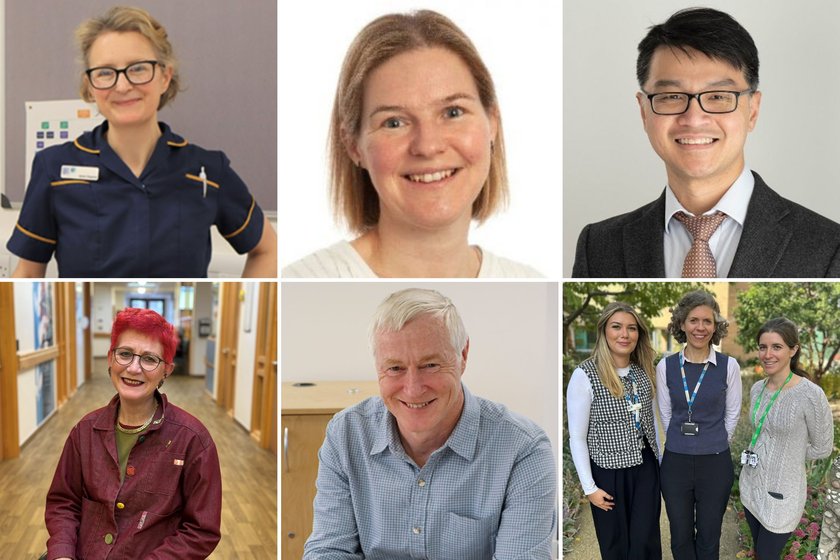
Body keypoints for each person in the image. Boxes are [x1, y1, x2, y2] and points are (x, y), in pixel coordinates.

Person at [7, 6, 277, 278]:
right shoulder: (54, 168)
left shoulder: (207, 171)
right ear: (90, 86)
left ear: (165, 77)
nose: (122, 86)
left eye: (138, 68)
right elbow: (28, 274)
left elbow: (268, 250)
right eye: (104, 72)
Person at [572, 7, 840, 278]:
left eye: (718, 96)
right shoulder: (598, 245)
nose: (694, 117)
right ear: (644, 111)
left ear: (753, 110)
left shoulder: (828, 247)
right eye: (672, 96)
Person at [282, 10, 539, 278]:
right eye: (394, 122)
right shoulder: (303, 281)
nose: (428, 146)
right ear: (352, 145)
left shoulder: (531, 283)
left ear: (493, 122)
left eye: (453, 112)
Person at [303, 288, 556, 558]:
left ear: (463, 355)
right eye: (395, 368)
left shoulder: (524, 451)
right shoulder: (346, 435)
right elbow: (329, 550)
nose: (413, 390)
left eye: (431, 365)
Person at [44, 308, 222, 559]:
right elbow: (64, 503)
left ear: (167, 370)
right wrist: (62, 554)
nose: (134, 368)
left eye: (150, 359)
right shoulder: (84, 432)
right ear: (110, 358)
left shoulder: (193, 440)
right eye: (125, 354)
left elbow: (201, 531)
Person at [567, 302, 662, 559]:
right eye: (617, 327)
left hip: (645, 469)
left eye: (632, 328)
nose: (625, 334)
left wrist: (660, 467)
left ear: (639, 334)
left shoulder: (644, 372)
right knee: (615, 545)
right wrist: (590, 488)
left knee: (646, 542)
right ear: (604, 331)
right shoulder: (585, 374)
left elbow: (651, 424)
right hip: (608, 473)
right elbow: (576, 437)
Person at [657, 290, 742, 559]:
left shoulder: (729, 366)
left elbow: (732, 413)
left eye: (707, 321)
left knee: (709, 536)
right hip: (676, 463)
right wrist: (685, 442)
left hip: (715, 463)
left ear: (715, 327)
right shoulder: (666, 366)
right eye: (694, 320)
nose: (700, 327)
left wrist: (712, 442)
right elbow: (666, 414)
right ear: (681, 323)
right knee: (680, 536)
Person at [739, 318, 833, 559]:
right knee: (758, 553)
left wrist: (789, 454)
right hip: (751, 487)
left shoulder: (810, 395)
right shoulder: (758, 388)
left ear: (793, 349)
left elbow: (822, 448)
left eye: (777, 347)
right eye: (763, 347)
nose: (767, 354)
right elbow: (762, 433)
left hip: (781, 497)